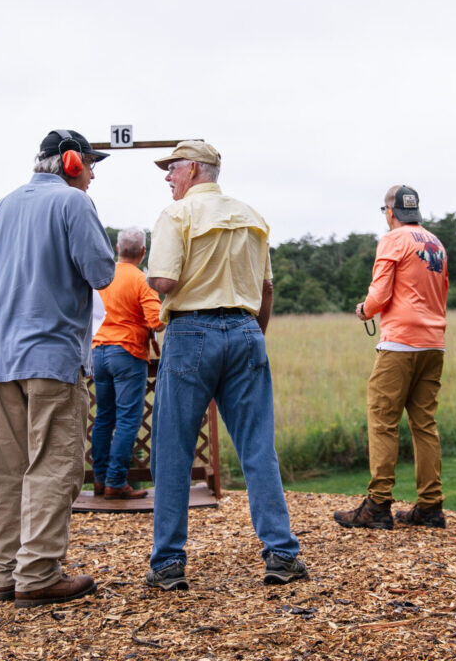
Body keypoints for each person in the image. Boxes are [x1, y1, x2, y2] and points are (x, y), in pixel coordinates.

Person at [144, 140, 306, 591]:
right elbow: (267, 290)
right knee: (258, 448)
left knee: (173, 452)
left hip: (191, 332)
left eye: (172, 168)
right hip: (247, 331)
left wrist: (148, 279)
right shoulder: (253, 217)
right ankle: (281, 553)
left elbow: (164, 280)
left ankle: (169, 564)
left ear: (194, 168)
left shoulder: (176, 216)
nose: (167, 176)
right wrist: (253, 337)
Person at [0, 129, 115, 608]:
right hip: (51, 357)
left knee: (4, 470)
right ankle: (37, 574)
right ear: (71, 163)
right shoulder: (74, 205)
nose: (93, 174)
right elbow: (102, 274)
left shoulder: (1, 206)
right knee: (54, 465)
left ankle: (4, 573)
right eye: (91, 164)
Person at [334, 185, 449, 531]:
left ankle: (378, 505)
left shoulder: (392, 239)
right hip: (434, 343)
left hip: (400, 343)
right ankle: (430, 506)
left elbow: (380, 292)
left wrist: (365, 310)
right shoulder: (437, 244)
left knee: (383, 420)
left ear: (390, 212)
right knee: (424, 424)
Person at [91, 227, 164, 499]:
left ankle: (98, 479)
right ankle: (115, 481)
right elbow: (156, 320)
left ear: (117, 249)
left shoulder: (103, 276)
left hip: (98, 351)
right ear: (143, 252)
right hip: (128, 353)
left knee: (103, 417)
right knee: (127, 420)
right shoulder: (143, 280)